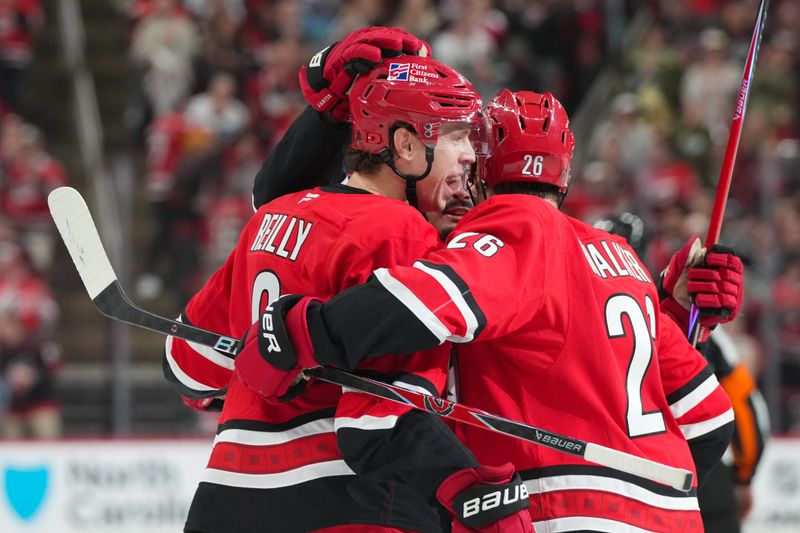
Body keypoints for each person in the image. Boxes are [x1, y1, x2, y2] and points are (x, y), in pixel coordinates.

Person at [245, 89, 736, 532]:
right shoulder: (619, 259)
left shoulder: (514, 226)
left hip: (557, 510)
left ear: (481, 168)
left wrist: (304, 332)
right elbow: (710, 418)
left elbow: (423, 301)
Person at [164, 29, 532, 533]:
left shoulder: (270, 219)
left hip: (225, 499)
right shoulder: (401, 229)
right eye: (454, 135)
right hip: (343, 500)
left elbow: (187, 369)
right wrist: (468, 484)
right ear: (404, 145)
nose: (469, 154)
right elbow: (383, 415)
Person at [596, 213, 768, 533]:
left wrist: (683, 314)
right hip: (695, 475)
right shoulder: (655, 321)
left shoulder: (592, 319)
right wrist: (745, 475)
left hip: (621, 483)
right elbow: (744, 406)